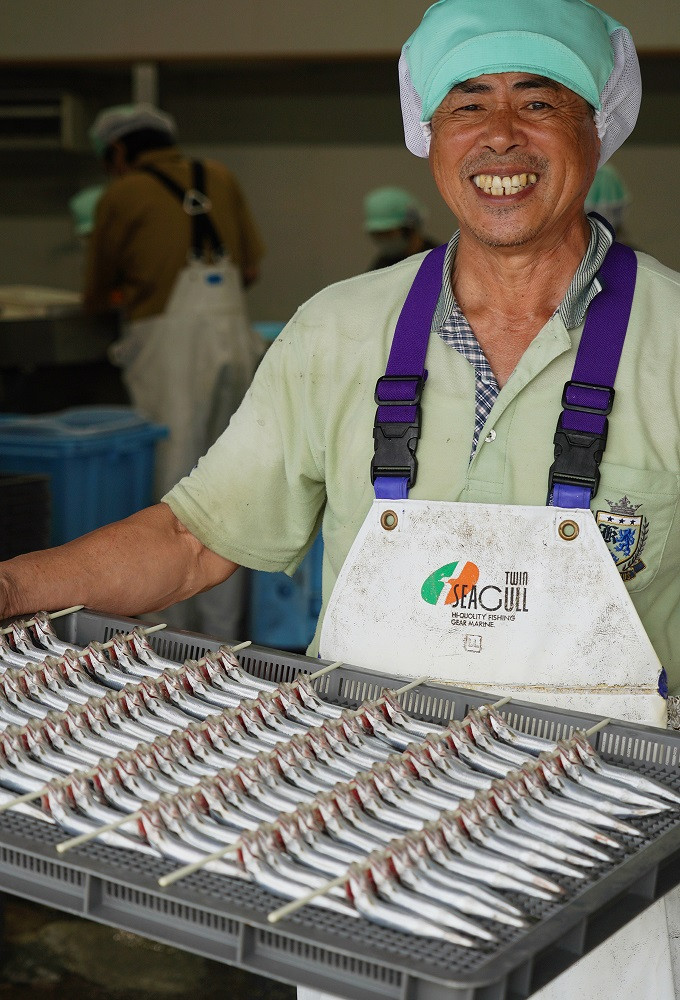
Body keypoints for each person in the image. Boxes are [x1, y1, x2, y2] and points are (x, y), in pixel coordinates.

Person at [0, 1, 678, 996]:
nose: (499, 133)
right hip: (361, 839)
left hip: (603, 851)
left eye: (539, 100)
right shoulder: (338, 331)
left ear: (594, 126)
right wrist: (12, 588)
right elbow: (193, 540)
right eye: (467, 103)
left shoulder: (671, 337)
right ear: (430, 136)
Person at [83, 103, 267, 638]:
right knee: (231, 484)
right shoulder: (222, 178)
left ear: (117, 152)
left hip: (168, 348)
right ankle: (225, 635)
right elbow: (250, 266)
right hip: (233, 339)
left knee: (173, 485)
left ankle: (168, 636)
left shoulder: (121, 193)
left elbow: (96, 292)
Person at [363, 185, 439, 269]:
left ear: (409, 229)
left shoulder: (439, 261)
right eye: (377, 235)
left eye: (388, 233)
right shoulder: (380, 267)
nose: (383, 240)